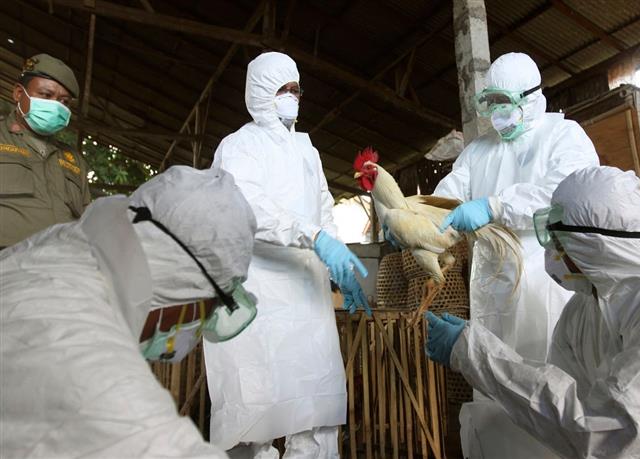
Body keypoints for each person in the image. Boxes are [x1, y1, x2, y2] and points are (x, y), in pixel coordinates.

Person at [0, 166, 257, 458]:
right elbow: (151, 441)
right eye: (205, 312)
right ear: (182, 286)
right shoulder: (81, 346)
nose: (197, 331)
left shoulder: (61, 252)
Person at [427, 166, 640, 459]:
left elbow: (605, 433)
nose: (551, 251)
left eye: (556, 240)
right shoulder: (580, 311)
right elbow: (553, 409)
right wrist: (470, 347)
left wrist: (476, 354)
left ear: (592, 246)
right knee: (487, 425)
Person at [205, 51, 370, 458]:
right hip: (259, 293)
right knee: (254, 412)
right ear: (261, 92)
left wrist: (338, 263)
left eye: (297, 89)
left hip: (308, 298)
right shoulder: (238, 146)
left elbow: (323, 210)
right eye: (284, 89)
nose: (293, 97)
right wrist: (313, 236)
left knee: (315, 409)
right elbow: (248, 208)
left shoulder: (306, 151)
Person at [435, 52, 600, 456]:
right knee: (493, 380)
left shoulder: (563, 135)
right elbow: (449, 193)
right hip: (491, 286)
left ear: (531, 98)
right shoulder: (478, 151)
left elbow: (565, 193)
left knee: (550, 380)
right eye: (491, 104)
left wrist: (495, 206)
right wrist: (418, 214)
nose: (497, 115)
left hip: (549, 281)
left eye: (504, 104)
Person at [0, 53, 91, 249]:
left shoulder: (74, 160)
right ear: (18, 93)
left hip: (61, 261)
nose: (56, 106)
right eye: (46, 95)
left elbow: (87, 221)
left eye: (64, 102)